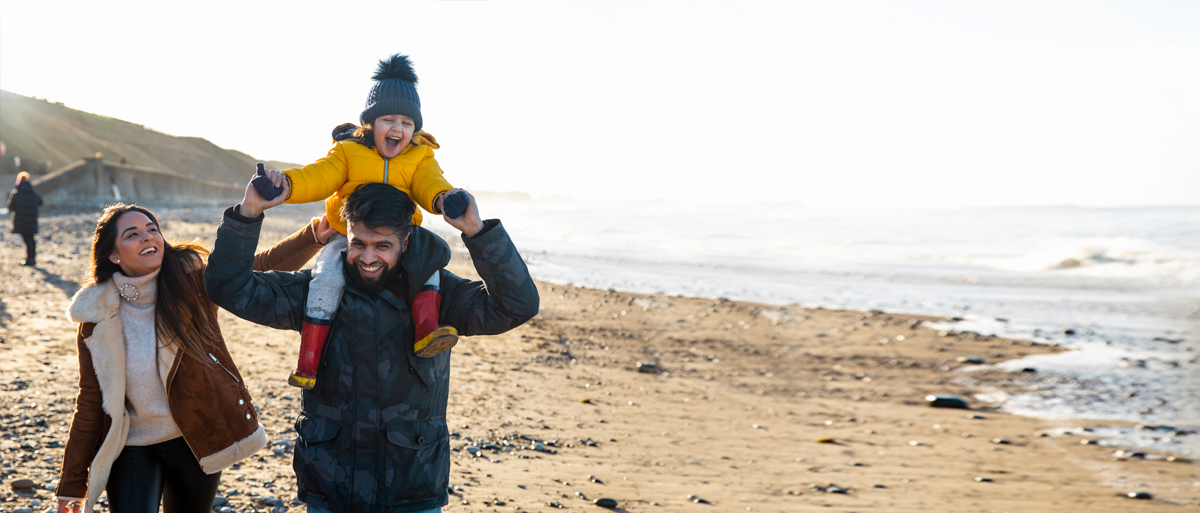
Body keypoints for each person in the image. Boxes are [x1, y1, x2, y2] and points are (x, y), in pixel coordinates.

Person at [204, 181, 539, 513]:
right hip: (331, 486)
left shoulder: (441, 296)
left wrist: (477, 232)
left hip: (412, 487)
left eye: (382, 246)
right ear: (345, 235)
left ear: (405, 241)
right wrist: (247, 214)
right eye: (358, 244)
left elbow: (516, 306)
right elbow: (229, 288)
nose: (367, 257)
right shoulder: (315, 291)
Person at [55, 199, 335, 513]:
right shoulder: (96, 317)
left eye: (152, 229)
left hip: (198, 436)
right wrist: (71, 485)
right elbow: (90, 402)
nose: (148, 237)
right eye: (132, 235)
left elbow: (252, 269)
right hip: (131, 445)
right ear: (113, 255)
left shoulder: (191, 282)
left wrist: (313, 236)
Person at [265, 53, 464, 391]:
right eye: (389, 119)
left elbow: (431, 182)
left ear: (415, 128)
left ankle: (427, 329)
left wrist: (445, 199)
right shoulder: (348, 151)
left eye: (406, 122)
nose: (398, 128)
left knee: (428, 263)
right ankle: (308, 360)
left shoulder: (420, 156)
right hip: (349, 235)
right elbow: (319, 176)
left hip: (400, 236)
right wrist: (287, 184)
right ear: (371, 123)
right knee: (325, 278)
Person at [7, 171, 42, 266]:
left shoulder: (16, 194)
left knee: (27, 239)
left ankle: (29, 259)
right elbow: (40, 202)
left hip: (21, 220)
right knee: (31, 239)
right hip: (32, 219)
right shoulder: (33, 193)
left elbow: (11, 207)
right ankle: (32, 258)